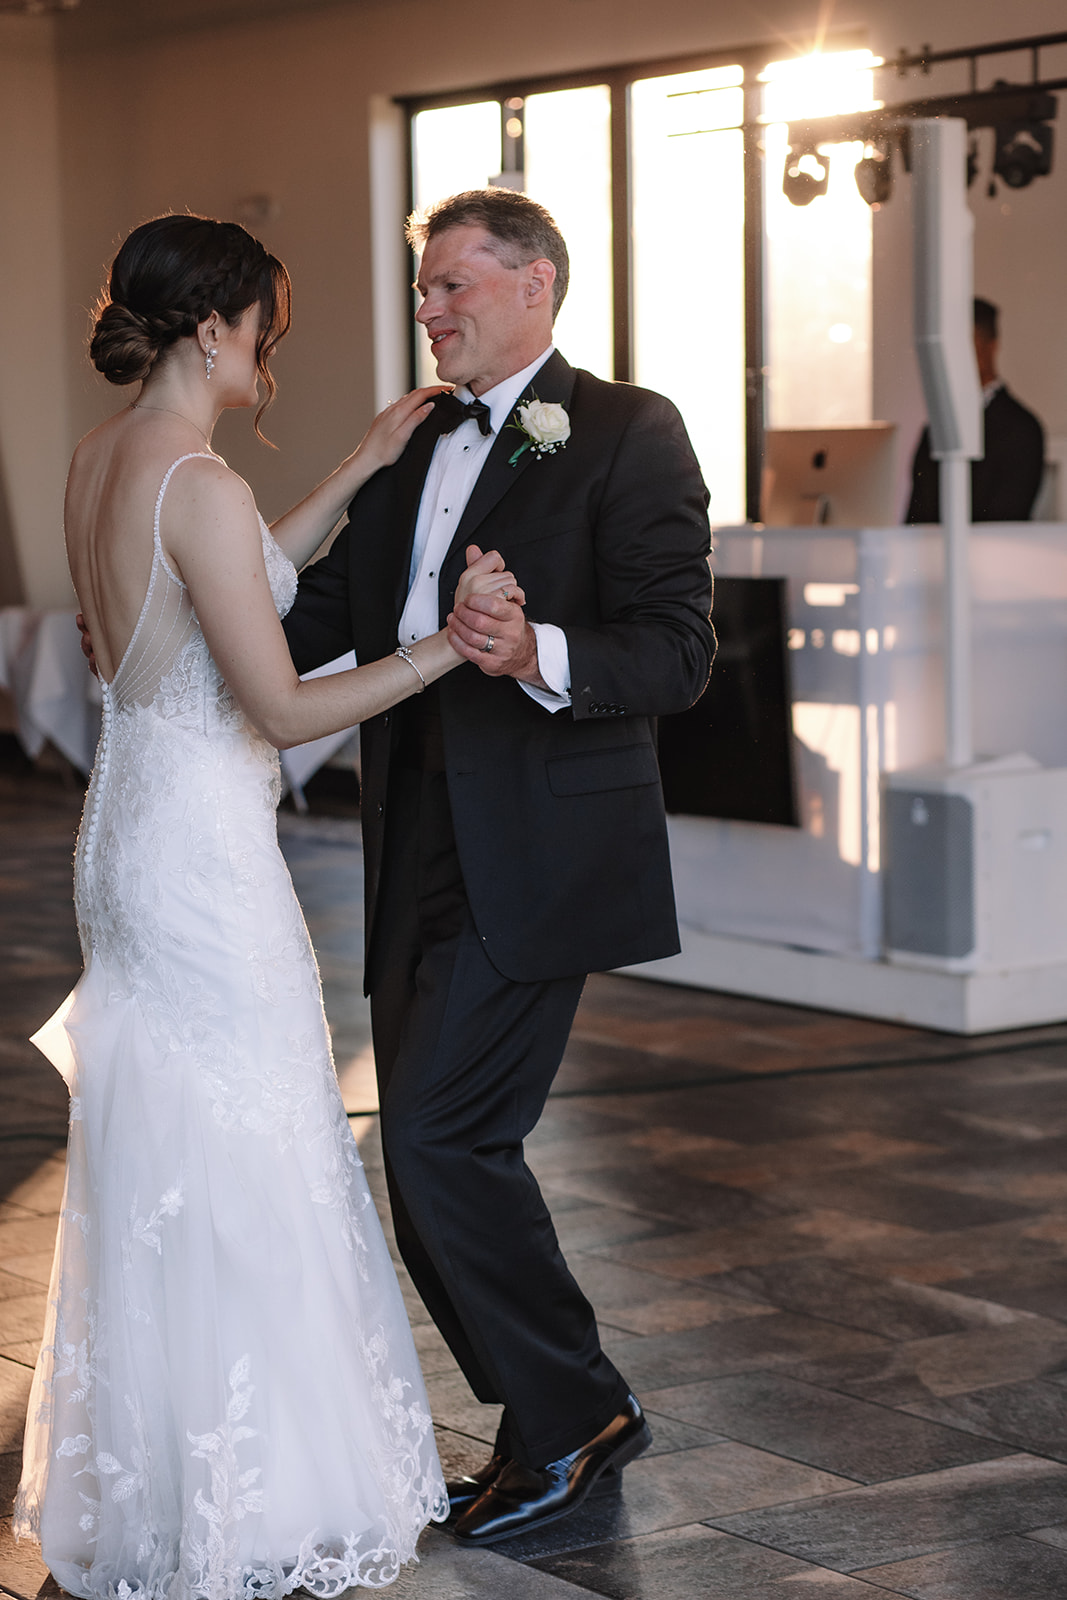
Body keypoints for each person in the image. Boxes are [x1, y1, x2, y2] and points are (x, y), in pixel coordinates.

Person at [14, 213, 523, 1597]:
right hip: (203, 855)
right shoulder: (200, 484)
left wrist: (360, 463)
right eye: (264, 328)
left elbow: (212, 597)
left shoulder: (107, 459)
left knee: (167, 1148)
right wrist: (439, 653)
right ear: (211, 326)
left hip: (128, 830)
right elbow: (282, 699)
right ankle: (253, 1497)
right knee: (251, 1149)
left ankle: (164, 1480)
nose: (270, 353)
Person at [281, 188, 716, 1546]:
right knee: (422, 1158)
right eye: (424, 289)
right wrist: (175, 587)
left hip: (538, 848)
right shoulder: (413, 440)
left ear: (534, 285)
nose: (430, 308)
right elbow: (327, 616)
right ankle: (558, 1414)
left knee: (437, 1136)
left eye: (454, 285)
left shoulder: (627, 428)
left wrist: (536, 654)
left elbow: (678, 648)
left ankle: (572, 1412)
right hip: (405, 843)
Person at [906, 296, 1046, 523]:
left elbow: (1008, 516)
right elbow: (916, 512)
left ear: (991, 347)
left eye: (965, 347)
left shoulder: (1021, 428)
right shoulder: (937, 425)